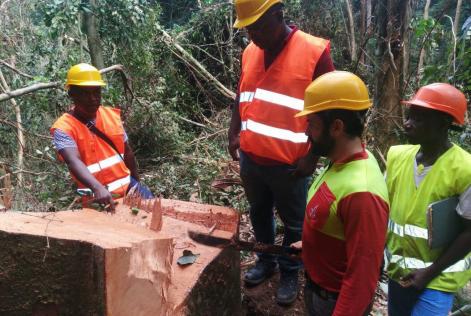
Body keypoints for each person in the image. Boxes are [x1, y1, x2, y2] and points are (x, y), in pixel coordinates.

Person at [228, 0, 335, 305]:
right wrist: (233, 130)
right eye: (248, 29)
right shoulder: (250, 51)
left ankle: (290, 269)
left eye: (258, 27)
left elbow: (330, 109)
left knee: (294, 223)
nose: (253, 36)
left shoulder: (314, 52)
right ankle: (265, 261)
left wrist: (313, 155)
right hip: (252, 158)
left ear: (279, 14)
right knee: (259, 212)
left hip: (291, 163)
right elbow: (242, 91)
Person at [292, 71, 389, 315]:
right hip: (318, 290)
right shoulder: (339, 161)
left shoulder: (362, 193)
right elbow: (334, 220)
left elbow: (362, 280)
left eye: (312, 124)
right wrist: (312, 246)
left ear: (336, 127)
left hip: (334, 303)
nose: (306, 132)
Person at [385, 83, 471, 316]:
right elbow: (383, 210)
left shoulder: (464, 169)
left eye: (419, 118)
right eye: (410, 116)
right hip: (398, 274)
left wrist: (428, 273)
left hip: (437, 280)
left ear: (444, 123)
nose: (408, 123)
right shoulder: (397, 157)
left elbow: (469, 231)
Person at [51, 63, 152, 211]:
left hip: (129, 188)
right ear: (72, 94)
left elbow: (127, 152)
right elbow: (73, 161)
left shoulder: (111, 116)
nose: (92, 99)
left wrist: (137, 182)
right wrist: (97, 188)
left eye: (96, 92)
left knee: (155, 218)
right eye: (85, 93)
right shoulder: (63, 128)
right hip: (98, 199)